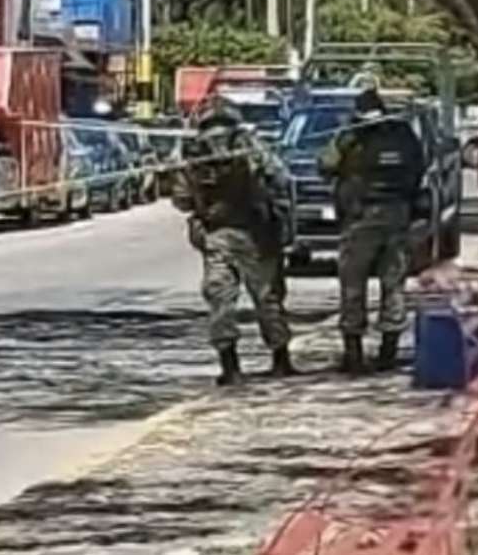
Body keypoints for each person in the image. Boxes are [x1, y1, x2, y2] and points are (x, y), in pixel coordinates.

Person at [172, 101, 296, 386]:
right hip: (256, 234)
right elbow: (281, 178)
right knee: (267, 297)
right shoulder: (252, 146)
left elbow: (181, 199)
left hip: (217, 236)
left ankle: (231, 367)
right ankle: (281, 360)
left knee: (220, 299)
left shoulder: (194, 153)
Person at [320, 88, 425, 374]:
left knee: (353, 286)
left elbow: (326, 165)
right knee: (394, 285)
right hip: (397, 217)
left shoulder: (351, 135)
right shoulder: (402, 133)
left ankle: (353, 355)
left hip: (360, 219)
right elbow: (419, 167)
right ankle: (388, 353)